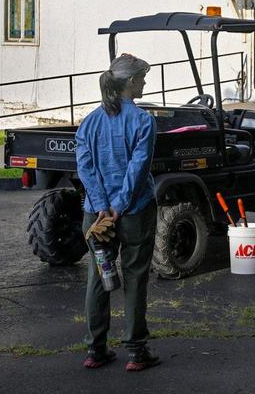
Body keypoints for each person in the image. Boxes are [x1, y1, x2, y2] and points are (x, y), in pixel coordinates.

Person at [74, 53, 161, 372]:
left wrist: (100, 208)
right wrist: (118, 207)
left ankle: (96, 351)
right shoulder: (142, 121)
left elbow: (85, 168)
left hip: (96, 219)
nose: (144, 82)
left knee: (98, 278)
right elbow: (137, 171)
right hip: (134, 213)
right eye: (142, 78)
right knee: (135, 278)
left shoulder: (90, 121)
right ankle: (137, 352)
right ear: (130, 82)